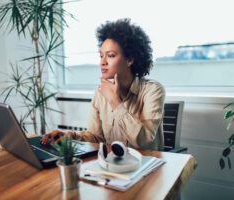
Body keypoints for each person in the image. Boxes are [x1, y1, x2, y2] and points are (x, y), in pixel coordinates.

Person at [41, 18, 165, 150]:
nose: (103, 62)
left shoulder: (153, 90)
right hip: (113, 164)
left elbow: (144, 141)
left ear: (129, 59)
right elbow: (97, 137)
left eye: (110, 55)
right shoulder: (100, 94)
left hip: (146, 163)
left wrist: (115, 102)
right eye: (101, 56)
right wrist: (71, 135)